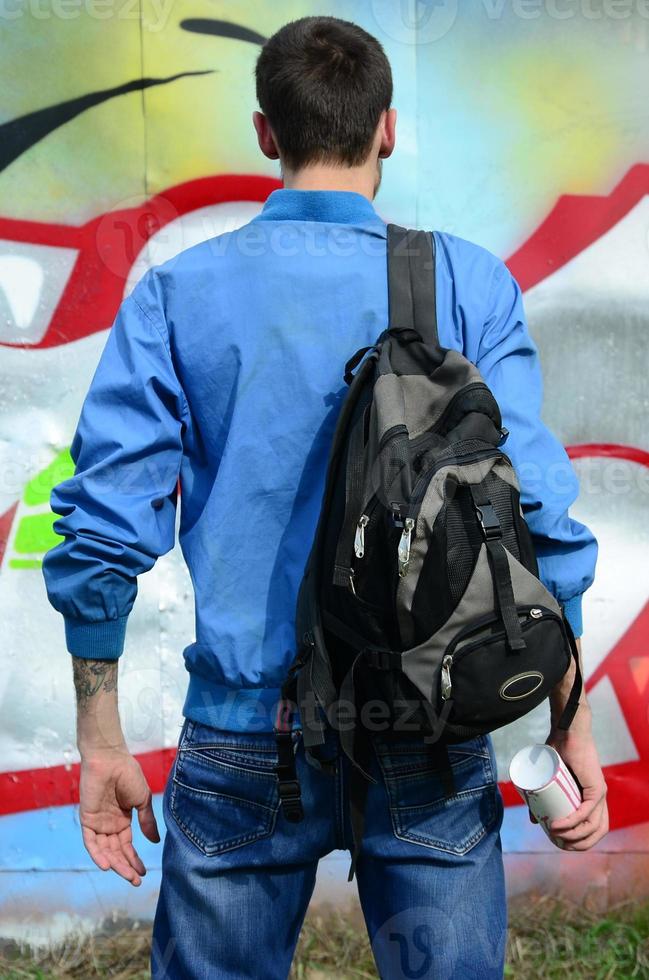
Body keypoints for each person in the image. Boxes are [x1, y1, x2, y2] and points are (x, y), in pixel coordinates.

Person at [43, 16, 607, 979]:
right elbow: (536, 515)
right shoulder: (466, 283)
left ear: (266, 133)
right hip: (428, 718)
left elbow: (102, 534)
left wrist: (98, 739)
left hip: (242, 730)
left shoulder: (178, 294)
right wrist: (568, 720)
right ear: (386, 128)